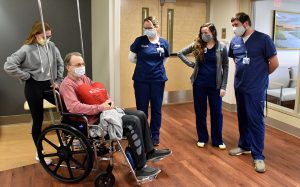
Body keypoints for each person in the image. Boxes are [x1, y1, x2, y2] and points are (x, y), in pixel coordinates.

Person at [59, 52, 172, 180]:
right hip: (92, 121)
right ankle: (141, 168)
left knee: (140, 114)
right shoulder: (67, 85)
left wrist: (109, 100)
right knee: (133, 121)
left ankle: (150, 152)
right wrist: (101, 107)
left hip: (104, 112)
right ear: (68, 67)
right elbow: (74, 108)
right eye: (78, 64)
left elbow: (99, 92)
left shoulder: (84, 78)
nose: (82, 66)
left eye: (83, 64)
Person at [4, 21, 64, 165]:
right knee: (38, 120)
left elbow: (60, 63)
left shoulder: (52, 46)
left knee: (66, 108)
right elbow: (9, 65)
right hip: (33, 87)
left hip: (50, 84)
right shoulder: (26, 49)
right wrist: (25, 76)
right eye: (44, 37)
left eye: (49, 36)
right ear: (36, 35)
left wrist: (59, 80)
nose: (47, 39)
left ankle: (73, 138)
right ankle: (39, 152)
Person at [228, 12, 279, 173]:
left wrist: (260, 77)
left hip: (255, 88)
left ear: (246, 24)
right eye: (233, 26)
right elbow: (236, 61)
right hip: (240, 86)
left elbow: (274, 63)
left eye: (236, 25)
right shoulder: (235, 41)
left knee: (255, 120)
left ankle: (258, 156)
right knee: (242, 117)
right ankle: (244, 145)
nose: (234, 28)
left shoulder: (263, 39)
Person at [177, 23, 229, 150]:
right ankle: (202, 138)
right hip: (199, 84)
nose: (204, 35)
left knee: (217, 113)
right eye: (202, 33)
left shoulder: (221, 47)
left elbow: (226, 66)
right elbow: (180, 53)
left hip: (215, 86)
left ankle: (217, 140)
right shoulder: (198, 45)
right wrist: (192, 64)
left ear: (213, 32)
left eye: (206, 33)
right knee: (200, 112)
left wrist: (224, 86)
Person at [128, 16, 170, 146]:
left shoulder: (163, 42)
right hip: (141, 80)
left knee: (157, 109)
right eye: (145, 28)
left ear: (156, 27)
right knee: (142, 109)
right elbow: (131, 58)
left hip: (158, 80)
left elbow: (165, 59)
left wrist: (154, 67)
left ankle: (155, 136)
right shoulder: (139, 41)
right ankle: (143, 135)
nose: (147, 30)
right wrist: (144, 64)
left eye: (149, 28)